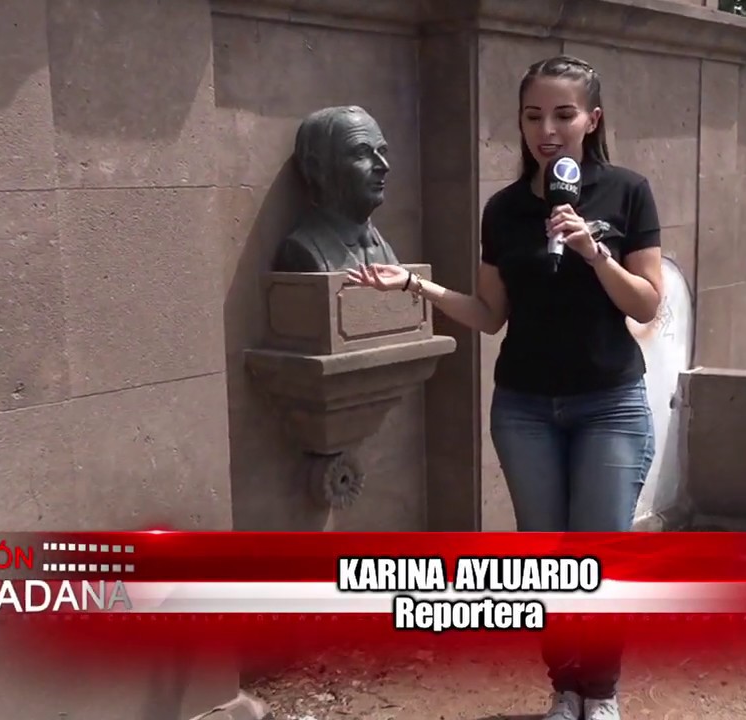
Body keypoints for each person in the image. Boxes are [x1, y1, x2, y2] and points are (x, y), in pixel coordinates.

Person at [346, 55, 662, 720]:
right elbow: (491, 315)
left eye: (563, 114)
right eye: (532, 115)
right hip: (524, 409)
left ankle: (601, 692)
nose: (547, 130)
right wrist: (416, 285)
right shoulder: (505, 209)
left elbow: (645, 303)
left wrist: (594, 252)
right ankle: (566, 687)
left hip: (609, 404)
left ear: (592, 119)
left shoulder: (628, 192)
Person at [273, 105, 401, 272]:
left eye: (382, 151)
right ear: (316, 168)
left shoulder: (384, 250)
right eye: (361, 153)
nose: (384, 166)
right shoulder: (302, 250)